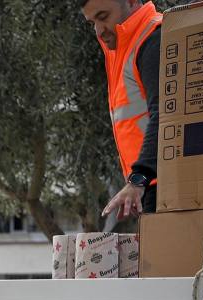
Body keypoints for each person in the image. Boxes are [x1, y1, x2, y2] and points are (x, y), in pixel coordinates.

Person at [82, 0, 162, 220]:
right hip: (151, 186)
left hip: (163, 186)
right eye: (92, 23)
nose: (99, 31)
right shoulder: (124, 48)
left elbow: (166, 114)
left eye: (103, 17)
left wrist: (138, 180)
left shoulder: (153, 39)